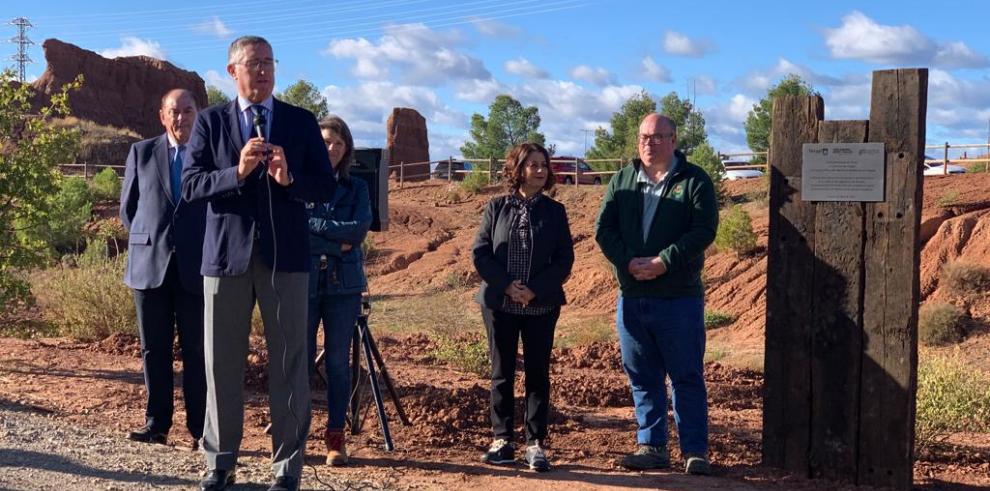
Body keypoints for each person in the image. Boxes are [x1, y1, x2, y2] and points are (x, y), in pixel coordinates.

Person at [182, 35, 335, 491]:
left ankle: (287, 467)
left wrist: (290, 179)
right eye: (254, 63)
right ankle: (220, 461)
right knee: (221, 364)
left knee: (291, 364)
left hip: (285, 261)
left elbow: (326, 187)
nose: (264, 71)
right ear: (232, 71)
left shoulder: (300, 121)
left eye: (269, 62)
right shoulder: (209, 123)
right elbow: (190, 186)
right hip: (225, 260)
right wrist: (238, 172)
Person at [594, 113, 718, 475]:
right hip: (632, 297)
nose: (650, 143)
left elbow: (703, 230)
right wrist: (627, 261)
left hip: (678, 297)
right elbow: (604, 229)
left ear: (674, 140)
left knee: (686, 376)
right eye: (645, 137)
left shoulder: (694, 181)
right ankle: (651, 446)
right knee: (643, 376)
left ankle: (695, 451)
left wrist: (666, 261)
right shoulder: (622, 180)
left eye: (658, 137)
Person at [472, 142, 574, 472]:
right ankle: (502, 441)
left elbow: (564, 260)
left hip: (540, 304)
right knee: (501, 373)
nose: (540, 170)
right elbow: (481, 253)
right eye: (532, 164)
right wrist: (507, 285)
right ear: (518, 168)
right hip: (500, 304)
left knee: (537, 373)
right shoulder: (495, 207)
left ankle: (535, 444)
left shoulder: (555, 212)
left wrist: (534, 289)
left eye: (543, 165)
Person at [119, 88, 206, 452]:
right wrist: (148, 239)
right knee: (154, 350)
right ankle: (157, 425)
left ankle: (202, 430)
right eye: (175, 111)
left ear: (196, 115)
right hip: (149, 267)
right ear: (162, 116)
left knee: (197, 352)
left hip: (196, 267)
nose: (181, 118)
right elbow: (128, 209)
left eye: (188, 111)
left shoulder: (209, 154)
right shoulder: (141, 152)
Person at [305, 116, 371, 466]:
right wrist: (335, 239)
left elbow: (358, 230)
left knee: (337, 363)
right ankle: (295, 434)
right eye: (325, 141)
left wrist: (319, 235)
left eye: (338, 143)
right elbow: (298, 228)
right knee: (299, 360)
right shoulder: (299, 182)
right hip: (302, 283)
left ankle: (335, 438)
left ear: (347, 150)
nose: (331, 148)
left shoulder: (357, 188)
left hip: (343, 287)